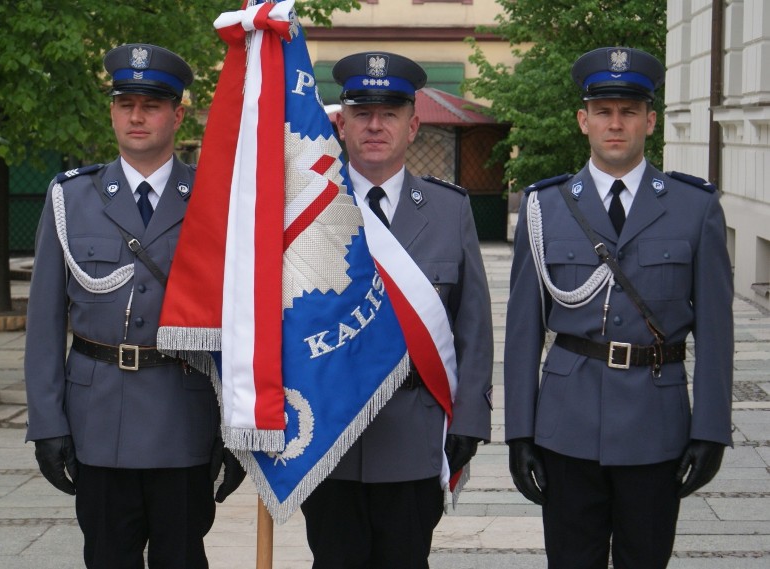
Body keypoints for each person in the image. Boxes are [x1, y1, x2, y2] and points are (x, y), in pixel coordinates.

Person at [505, 46, 734, 569]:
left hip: (656, 427)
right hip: (566, 426)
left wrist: (711, 431)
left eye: (628, 112)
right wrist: (520, 432)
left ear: (649, 121)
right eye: (603, 111)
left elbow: (717, 333)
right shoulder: (545, 208)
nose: (615, 124)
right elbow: (523, 330)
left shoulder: (694, 208)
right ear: (583, 120)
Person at [24, 43, 244, 569]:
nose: (137, 115)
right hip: (97, 419)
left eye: (152, 103)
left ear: (178, 114)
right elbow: (44, 325)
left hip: (184, 419)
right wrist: (47, 423)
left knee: (182, 558)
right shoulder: (70, 197)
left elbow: (243, 322)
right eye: (126, 103)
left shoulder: (218, 198)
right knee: (106, 557)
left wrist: (240, 430)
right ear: (112, 111)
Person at [299, 51, 494, 568]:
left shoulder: (450, 211)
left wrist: (471, 416)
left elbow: (472, 324)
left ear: (413, 126)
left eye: (390, 113)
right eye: (362, 112)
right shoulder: (308, 212)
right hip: (331, 440)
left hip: (414, 437)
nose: (376, 125)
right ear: (342, 125)